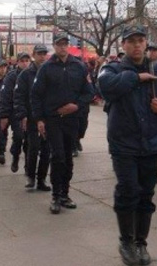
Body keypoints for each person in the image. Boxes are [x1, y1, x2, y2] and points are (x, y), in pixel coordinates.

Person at [98, 25, 157, 266]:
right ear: (123, 45)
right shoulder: (111, 69)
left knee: (145, 194)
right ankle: (126, 241)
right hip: (123, 144)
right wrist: (136, 78)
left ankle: (141, 242)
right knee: (128, 190)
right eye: (131, 41)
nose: (136, 45)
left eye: (140, 40)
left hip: (151, 144)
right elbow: (106, 88)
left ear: (146, 44)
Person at [31, 34, 94, 214]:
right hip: (53, 119)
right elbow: (36, 95)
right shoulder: (46, 68)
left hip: (72, 119)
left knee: (67, 157)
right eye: (59, 45)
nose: (63, 48)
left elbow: (89, 92)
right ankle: (56, 196)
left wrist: (76, 105)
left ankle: (65, 193)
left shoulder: (79, 67)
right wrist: (40, 119)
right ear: (54, 47)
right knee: (57, 156)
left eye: (65, 44)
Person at [14, 45, 51, 191]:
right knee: (33, 147)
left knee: (46, 150)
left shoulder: (49, 72)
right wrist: (22, 115)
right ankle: (31, 176)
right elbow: (19, 96)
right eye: (39, 54)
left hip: (47, 117)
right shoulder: (25, 75)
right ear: (34, 55)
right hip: (31, 117)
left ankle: (42, 179)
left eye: (44, 54)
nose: (42, 57)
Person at [0, 53, 31, 173]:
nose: (25, 63)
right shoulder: (11, 77)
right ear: (17, 62)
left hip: (30, 112)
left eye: (27, 60)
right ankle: (15, 157)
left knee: (30, 140)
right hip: (16, 112)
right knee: (18, 137)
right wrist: (4, 115)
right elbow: (5, 96)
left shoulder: (34, 74)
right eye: (22, 61)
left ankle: (29, 165)